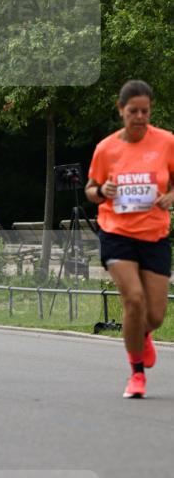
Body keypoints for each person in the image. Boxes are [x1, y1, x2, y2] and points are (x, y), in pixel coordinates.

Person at [85, 79, 174, 398]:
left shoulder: (166, 142)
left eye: (145, 111)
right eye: (133, 111)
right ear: (121, 110)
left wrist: (170, 197)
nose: (140, 117)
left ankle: (143, 335)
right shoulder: (106, 148)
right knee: (133, 300)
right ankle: (136, 374)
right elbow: (91, 190)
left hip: (154, 234)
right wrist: (101, 191)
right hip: (116, 233)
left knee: (155, 315)